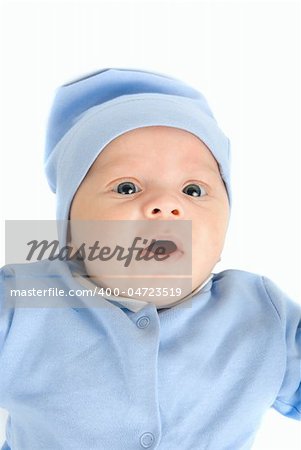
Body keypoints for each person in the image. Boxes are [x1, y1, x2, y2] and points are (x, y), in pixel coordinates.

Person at [0, 67, 300, 450]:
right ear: (71, 232)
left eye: (193, 189)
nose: (165, 205)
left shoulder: (261, 314)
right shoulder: (22, 304)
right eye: (127, 187)